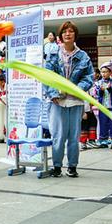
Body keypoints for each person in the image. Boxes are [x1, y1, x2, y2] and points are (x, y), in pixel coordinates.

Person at [44, 21, 94, 178]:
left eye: (71, 31)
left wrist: (76, 88)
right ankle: (57, 166)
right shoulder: (53, 53)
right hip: (57, 101)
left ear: (75, 35)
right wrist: (53, 93)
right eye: (65, 31)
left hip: (75, 101)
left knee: (74, 136)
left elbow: (89, 77)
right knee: (58, 135)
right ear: (60, 36)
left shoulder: (83, 56)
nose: (68, 34)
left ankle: (72, 166)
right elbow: (47, 76)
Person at [93, 62, 112, 149]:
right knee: (103, 124)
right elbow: (96, 94)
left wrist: (110, 89)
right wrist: (100, 91)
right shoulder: (98, 83)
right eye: (102, 72)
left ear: (110, 73)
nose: (103, 74)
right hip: (102, 107)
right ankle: (103, 141)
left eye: (105, 72)